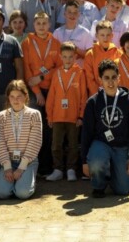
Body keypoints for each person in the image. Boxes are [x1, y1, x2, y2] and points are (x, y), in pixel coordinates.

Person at [82, 60, 129, 198]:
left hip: (121, 146)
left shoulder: (128, 101)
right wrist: (85, 161)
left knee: (123, 191)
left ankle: (115, 176)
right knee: (96, 162)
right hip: (101, 143)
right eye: (106, 78)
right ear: (100, 80)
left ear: (119, 78)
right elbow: (86, 133)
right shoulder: (93, 102)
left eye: (114, 77)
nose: (110, 82)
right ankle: (99, 185)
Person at [21, 11, 60, 176]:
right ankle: (33, 164)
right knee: (35, 128)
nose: (42, 27)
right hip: (34, 91)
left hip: (52, 90)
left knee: (50, 128)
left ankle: (47, 166)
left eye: (45, 23)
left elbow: (58, 67)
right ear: (34, 25)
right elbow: (26, 69)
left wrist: (43, 76)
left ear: (49, 25)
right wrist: (37, 92)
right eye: (39, 24)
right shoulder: (27, 43)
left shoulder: (56, 42)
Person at [44, 43, 87, 182]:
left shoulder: (80, 72)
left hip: (73, 117)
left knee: (73, 145)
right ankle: (58, 169)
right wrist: (49, 115)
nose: (68, 59)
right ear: (60, 57)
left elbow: (83, 96)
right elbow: (51, 96)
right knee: (56, 144)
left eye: (70, 57)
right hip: (57, 116)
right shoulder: (56, 73)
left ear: (75, 56)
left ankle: (71, 169)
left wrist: (81, 115)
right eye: (65, 57)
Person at [0, 80, 42, 200]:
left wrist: (21, 168)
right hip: (9, 161)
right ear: (8, 98)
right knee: (2, 194)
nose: (16, 100)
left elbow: (35, 142)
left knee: (22, 194)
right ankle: (15, 183)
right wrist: (7, 167)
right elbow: (1, 142)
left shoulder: (34, 114)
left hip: (28, 161)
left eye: (19, 96)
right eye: (12, 97)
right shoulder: (1, 116)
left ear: (26, 96)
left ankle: (27, 180)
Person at [83, 21, 122, 94]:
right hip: (97, 95)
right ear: (96, 36)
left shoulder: (119, 53)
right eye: (102, 35)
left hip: (114, 94)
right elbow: (89, 79)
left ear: (112, 35)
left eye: (108, 35)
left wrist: (113, 92)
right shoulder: (90, 54)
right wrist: (99, 94)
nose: (105, 38)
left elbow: (120, 77)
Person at [53, 1, 94, 66]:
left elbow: (91, 56)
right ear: (64, 14)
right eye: (69, 12)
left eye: (75, 12)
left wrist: (76, 50)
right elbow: (53, 55)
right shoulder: (57, 33)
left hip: (79, 72)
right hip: (62, 71)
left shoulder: (86, 33)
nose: (72, 15)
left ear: (79, 14)